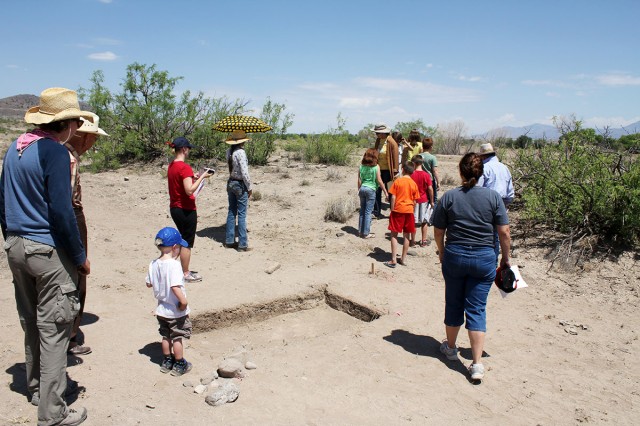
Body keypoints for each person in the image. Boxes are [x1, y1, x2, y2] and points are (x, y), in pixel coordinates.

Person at [0, 87, 90, 425]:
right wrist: (79, 256)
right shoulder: (54, 152)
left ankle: (36, 387)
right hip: (47, 250)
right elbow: (62, 211)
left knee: (31, 321)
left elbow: (2, 200)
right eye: (77, 122)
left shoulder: (16, 148)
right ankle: (52, 412)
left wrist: (12, 236)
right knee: (54, 329)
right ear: (66, 123)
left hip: (16, 246)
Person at [432, 153, 511, 382]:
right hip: (484, 258)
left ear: (460, 171)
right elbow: (504, 232)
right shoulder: (493, 198)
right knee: (477, 308)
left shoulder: (449, 197)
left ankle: (451, 347)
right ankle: (477, 364)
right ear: (481, 172)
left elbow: (438, 231)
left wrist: (442, 252)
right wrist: (505, 258)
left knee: (454, 301)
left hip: (455, 256)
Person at [65, 112, 109, 356]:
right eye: (93, 138)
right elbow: (67, 205)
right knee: (78, 275)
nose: (94, 143)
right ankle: (70, 335)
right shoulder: (68, 158)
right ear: (83, 137)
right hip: (72, 219)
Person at [146, 227, 192, 376]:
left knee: (166, 336)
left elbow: (149, 283)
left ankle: (167, 361)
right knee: (177, 337)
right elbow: (174, 286)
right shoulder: (174, 265)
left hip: (161, 309)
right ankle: (179, 363)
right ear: (174, 247)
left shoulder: (153, 264)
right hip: (175, 310)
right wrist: (183, 302)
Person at [167, 136, 213, 282]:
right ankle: (185, 273)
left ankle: (170, 268)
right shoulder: (184, 167)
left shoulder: (172, 165)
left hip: (175, 208)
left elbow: (181, 182)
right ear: (184, 149)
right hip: (186, 209)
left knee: (180, 239)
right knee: (186, 242)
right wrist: (203, 177)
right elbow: (189, 190)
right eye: (188, 149)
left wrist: (192, 176)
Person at [477, 143, 515, 261]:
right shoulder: (504, 168)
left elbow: (477, 189)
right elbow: (510, 194)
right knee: (499, 234)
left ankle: (485, 260)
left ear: (483, 156)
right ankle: (495, 260)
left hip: (486, 205)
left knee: (485, 234)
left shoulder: (484, 168)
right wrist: (504, 206)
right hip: (502, 204)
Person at [385, 162, 420, 268]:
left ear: (403, 169)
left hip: (398, 210)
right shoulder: (413, 184)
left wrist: (392, 209)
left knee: (394, 235)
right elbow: (415, 201)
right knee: (407, 235)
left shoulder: (398, 181)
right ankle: (403, 259)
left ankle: (393, 259)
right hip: (409, 211)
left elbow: (393, 197)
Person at [224, 130, 253, 251]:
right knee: (241, 214)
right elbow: (245, 172)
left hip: (231, 182)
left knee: (231, 211)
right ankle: (242, 244)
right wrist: (249, 187)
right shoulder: (241, 152)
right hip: (240, 184)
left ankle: (229, 240)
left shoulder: (229, 151)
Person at [357, 148, 388, 239]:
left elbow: (359, 179)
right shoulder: (376, 167)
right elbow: (379, 180)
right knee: (368, 212)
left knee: (362, 210)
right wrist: (385, 191)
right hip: (371, 189)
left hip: (362, 188)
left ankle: (360, 231)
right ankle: (366, 233)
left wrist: (359, 190)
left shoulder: (361, 166)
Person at [371, 124, 398, 219]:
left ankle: (393, 212)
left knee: (391, 192)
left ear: (383, 133)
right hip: (379, 170)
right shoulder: (378, 141)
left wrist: (395, 171)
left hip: (389, 171)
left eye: (377, 133)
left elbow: (395, 157)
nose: (376, 134)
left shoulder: (391, 142)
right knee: (377, 190)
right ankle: (376, 212)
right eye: (376, 133)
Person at [409, 155, 434, 247]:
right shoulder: (426, 175)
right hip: (423, 200)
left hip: (413, 200)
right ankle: (423, 241)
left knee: (414, 221)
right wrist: (431, 201)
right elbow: (430, 188)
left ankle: (412, 241)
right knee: (424, 221)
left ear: (414, 163)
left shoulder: (411, 174)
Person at [420, 137, 440, 205]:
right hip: (430, 180)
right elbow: (434, 171)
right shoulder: (432, 158)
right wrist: (438, 182)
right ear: (431, 147)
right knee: (433, 199)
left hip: (420, 180)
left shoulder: (418, 156)